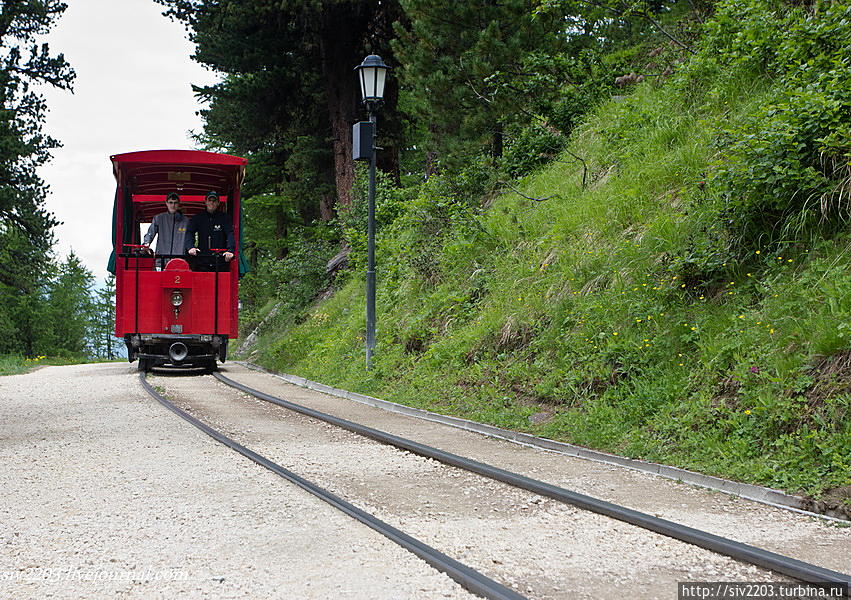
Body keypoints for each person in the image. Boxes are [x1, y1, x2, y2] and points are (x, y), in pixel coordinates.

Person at [185, 191, 235, 271]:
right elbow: (189, 232)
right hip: (202, 260)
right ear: (205, 202)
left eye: (214, 201)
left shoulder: (225, 218)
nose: (212, 203)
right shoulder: (198, 218)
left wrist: (230, 250)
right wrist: (191, 247)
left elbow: (230, 233)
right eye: (210, 200)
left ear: (218, 203)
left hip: (220, 260)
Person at [142, 192, 187, 269]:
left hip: (179, 262)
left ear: (179, 204)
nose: (173, 205)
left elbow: (190, 238)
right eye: (171, 202)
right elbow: (150, 233)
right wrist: (146, 243)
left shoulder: (186, 221)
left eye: (175, 203)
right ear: (166, 203)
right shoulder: (159, 218)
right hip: (161, 261)